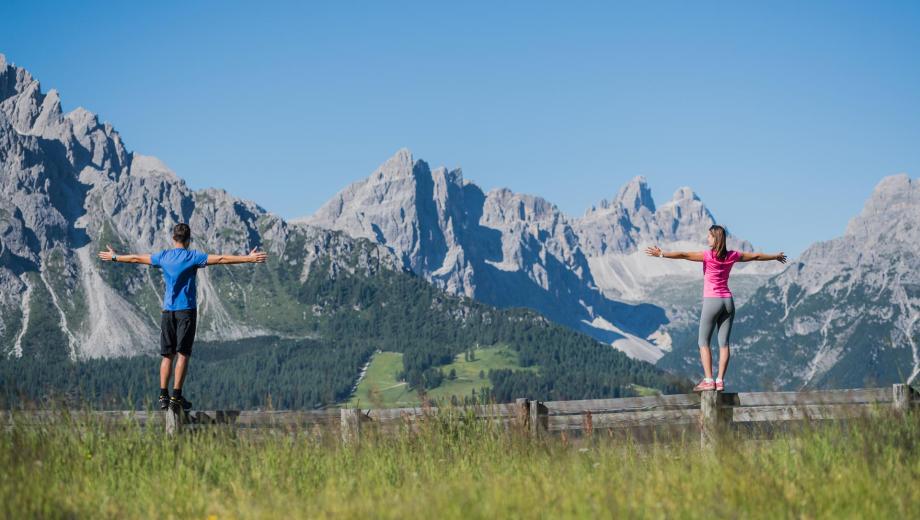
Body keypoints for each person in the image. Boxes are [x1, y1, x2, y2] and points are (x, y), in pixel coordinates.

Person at [98, 223, 268, 412]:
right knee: (183, 354)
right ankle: (176, 397)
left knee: (167, 356)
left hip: (167, 311)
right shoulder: (192, 256)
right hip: (186, 311)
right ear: (188, 241)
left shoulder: (163, 256)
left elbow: (136, 258)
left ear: (173, 239)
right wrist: (249, 258)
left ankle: (163, 396)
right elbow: (221, 258)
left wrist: (114, 256)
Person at [645, 225, 786, 392]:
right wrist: (775, 256)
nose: (707, 239)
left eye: (709, 237)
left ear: (716, 238)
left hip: (712, 301)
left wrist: (661, 253)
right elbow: (755, 256)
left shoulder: (707, 256)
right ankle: (720, 381)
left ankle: (708, 380)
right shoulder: (733, 255)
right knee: (724, 343)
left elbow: (683, 255)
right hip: (728, 301)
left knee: (703, 341)